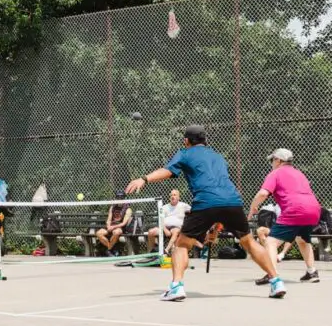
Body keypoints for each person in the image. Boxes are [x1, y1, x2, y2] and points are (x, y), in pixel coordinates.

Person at [126, 125, 286, 301]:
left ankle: (176, 286)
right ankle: (276, 281)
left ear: (186, 141)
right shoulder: (218, 157)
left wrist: (144, 179)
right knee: (249, 242)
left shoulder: (185, 153)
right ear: (204, 141)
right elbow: (218, 184)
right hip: (232, 201)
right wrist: (217, 221)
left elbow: (169, 171)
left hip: (205, 201)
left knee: (181, 245)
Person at [248, 148, 321, 284]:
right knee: (303, 240)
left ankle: (272, 275)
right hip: (313, 209)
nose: (271, 163)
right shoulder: (300, 173)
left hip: (295, 210)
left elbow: (263, 193)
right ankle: (312, 273)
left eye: (272, 160)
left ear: (278, 160)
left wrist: (253, 207)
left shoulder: (275, 173)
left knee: (271, 242)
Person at [147, 189, 191, 254]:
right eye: (171, 195)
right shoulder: (164, 207)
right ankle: (151, 252)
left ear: (179, 197)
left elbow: (194, 212)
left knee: (175, 231)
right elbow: (161, 220)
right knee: (151, 232)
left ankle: (166, 250)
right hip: (165, 228)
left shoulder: (183, 205)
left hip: (177, 228)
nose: (172, 196)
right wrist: (165, 230)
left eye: (175, 195)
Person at [95, 191, 133, 257]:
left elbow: (124, 223)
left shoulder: (128, 209)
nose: (119, 199)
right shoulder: (112, 207)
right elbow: (109, 219)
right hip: (111, 226)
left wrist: (113, 227)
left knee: (116, 232)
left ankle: (108, 250)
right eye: (118, 197)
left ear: (124, 198)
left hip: (120, 227)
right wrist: (108, 226)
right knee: (99, 233)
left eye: (121, 198)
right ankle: (111, 248)